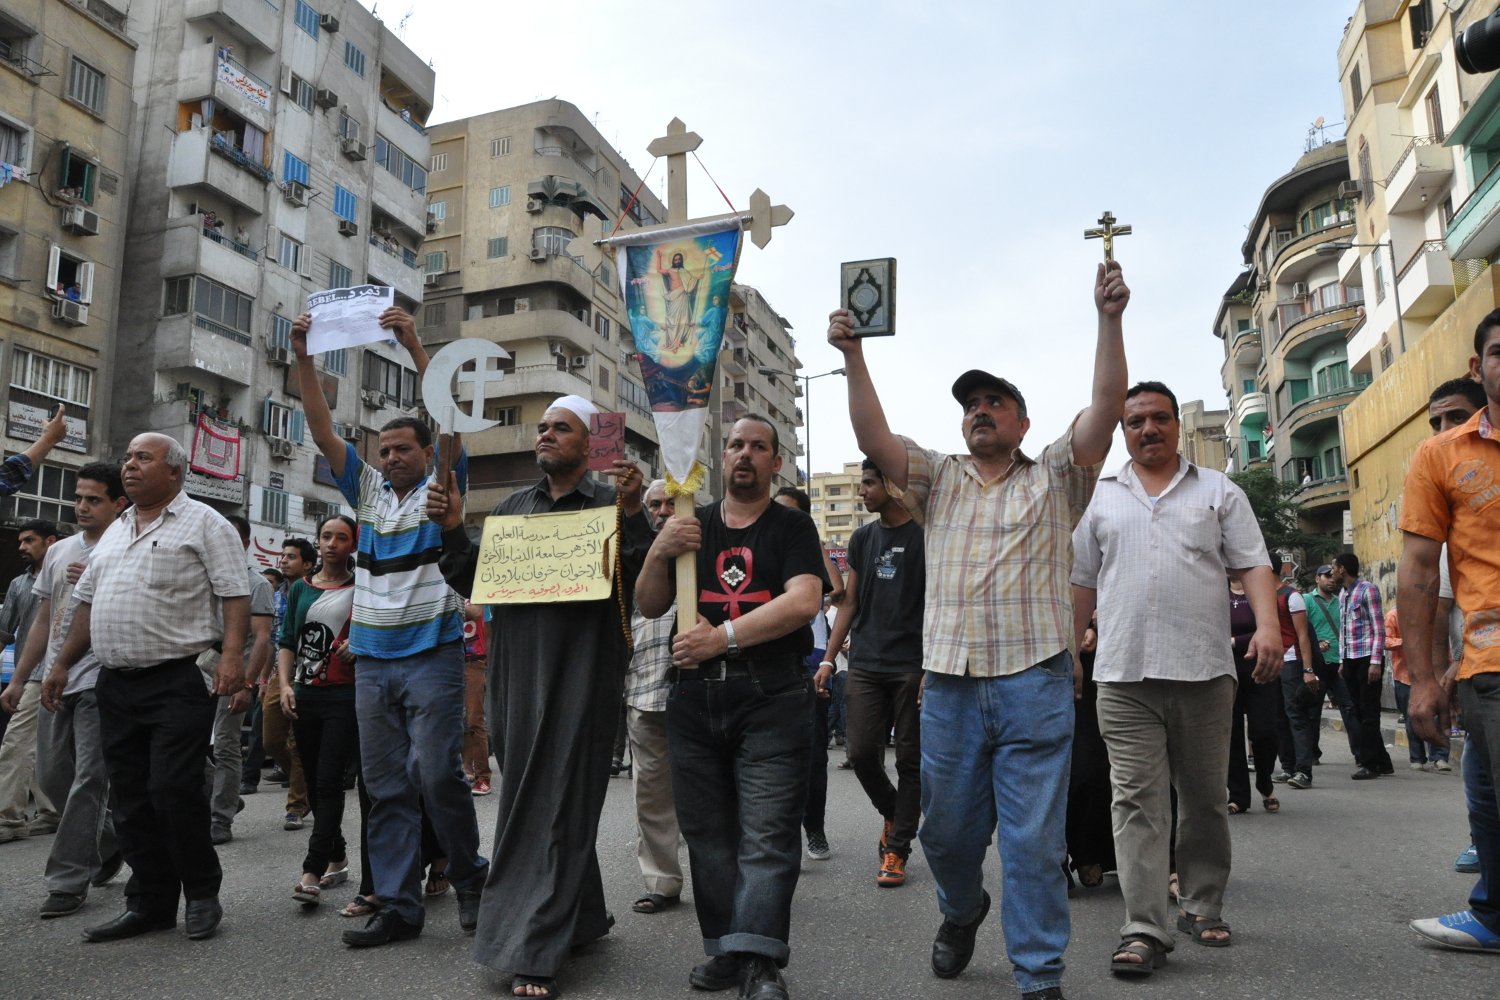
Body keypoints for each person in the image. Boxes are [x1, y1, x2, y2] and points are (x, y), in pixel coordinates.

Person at [827, 262, 1130, 1000]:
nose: (980, 411)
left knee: (1032, 842)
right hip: (952, 688)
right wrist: (854, 357)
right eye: (971, 405)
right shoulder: (937, 479)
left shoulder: (1057, 475)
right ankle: (962, 909)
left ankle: (1039, 975)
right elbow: (874, 435)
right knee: (946, 834)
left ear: (1023, 423)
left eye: (996, 402)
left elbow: (1105, 407)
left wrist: (1109, 319)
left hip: (1034, 682)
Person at [428, 393, 648, 999]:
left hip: (584, 671)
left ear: (589, 442)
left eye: (561, 427)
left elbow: (641, 579)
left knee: (556, 797)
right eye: (542, 427)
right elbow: (474, 578)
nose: (545, 434)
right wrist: (452, 528)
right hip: (517, 675)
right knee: (538, 795)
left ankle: (531, 946)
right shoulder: (511, 509)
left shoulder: (610, 503)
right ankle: (582, 918)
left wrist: (635, 513)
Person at [291, 307, 488, 949]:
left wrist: (414, 345)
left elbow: (450, 418)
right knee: (383, 787)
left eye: (405, 448)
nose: (393, 456)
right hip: (372, 660)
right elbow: (320, 427)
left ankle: (470, 878)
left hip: (432, 653)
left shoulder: (443, 488)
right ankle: (400, 905)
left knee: (437, 775)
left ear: (429, 454)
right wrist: (303, 357)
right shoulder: (367, 493)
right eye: (385, 450)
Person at [1072, 381, 1280, 975]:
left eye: (1160, 418)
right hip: (1122, 674)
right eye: (1135, 420)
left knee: (1204, 799)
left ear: (1176, 426)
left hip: (1204, 671)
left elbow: (1253, 563)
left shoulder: (1218, 490)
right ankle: (1143, 927)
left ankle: (1201, 903)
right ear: (1122, 431)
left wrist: (1268, 626)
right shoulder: (1099, 498)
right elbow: (1082, 580)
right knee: (1135, 802)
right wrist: (1071, 652)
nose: (1149, 429)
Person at [636, 414, 826, 1000]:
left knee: (767, 833)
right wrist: (660, 550)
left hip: (772, 694)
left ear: (776, 462)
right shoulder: (691, 524)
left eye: (759, 446)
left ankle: (760, 960)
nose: (745, 454)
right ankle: (726, 950)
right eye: (736, 444)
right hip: (695, 698)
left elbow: (804, 601)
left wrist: (722, 638)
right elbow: (650, 604)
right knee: (708, 835)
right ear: (721, 458)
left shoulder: (792, 526)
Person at [51, 432, 250, 942]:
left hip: (178, 679)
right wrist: (61, 664)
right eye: (128, 457)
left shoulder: (206, 523)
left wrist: (232, 658)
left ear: (175, 471)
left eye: (144, 457)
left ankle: (201, 893)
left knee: (172, 788)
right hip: (115, 681)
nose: (130, 465)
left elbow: (235, 593)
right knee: (130, 797)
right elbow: (87, 604)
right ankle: (150, 903)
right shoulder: (116, 530)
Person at [1400, 314, 1500, 952]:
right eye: (1499, 352)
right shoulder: (1442, 455)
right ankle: (1493, 915)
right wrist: (1425, 680)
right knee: (1486, 797)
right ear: (1477, 366)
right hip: (1489, 659)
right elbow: (1418, 574)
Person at [818, 457, 925, 889]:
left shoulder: (926, 535)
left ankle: (897, 848)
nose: (861, 491)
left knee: (911, 760)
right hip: (865, 662)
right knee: (861, 752)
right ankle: (896, 812)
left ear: (892, 485)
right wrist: (828, 659)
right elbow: (850, 601)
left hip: (913, 665)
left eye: (867, 483)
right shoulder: (862, 538)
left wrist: (933, 667)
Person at [30, 464, 128, 918]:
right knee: (52, 776)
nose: (82, 507)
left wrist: (98, 577)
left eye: (94, 499)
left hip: (100, 677)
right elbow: (44, 619)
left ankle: (67, 881)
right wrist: (22, 677)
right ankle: (111, 839)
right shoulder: (59, 550)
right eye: (78, 498)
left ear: (117, 504)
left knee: (90, 779)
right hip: (55, 677)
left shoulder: (126, 546)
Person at [278, 514, 359, 906]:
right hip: (304, 693)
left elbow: (377, 628)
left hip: (345, 695)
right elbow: (286, 641)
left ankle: (312, 869)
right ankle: (338, 857)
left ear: (352, 544)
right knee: (311, 781)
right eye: (326, 536)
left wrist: (360, 644)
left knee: (328, 782)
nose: (332, 544)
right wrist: (283, 685)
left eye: (341, 537)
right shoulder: (300, 589)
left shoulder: (362, 587)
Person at [773, 484, 844, 862]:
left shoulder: (808, 553)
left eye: (789, 512)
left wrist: (813, 543)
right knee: (770, 755)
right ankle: (780, 836)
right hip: (767, 661)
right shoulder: (763, 547)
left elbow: (839, 591)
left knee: (814, 754)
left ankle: (813, 827)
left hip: (810, 663)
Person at [624, 480, 684, 916]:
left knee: (716, 791)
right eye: (655, 504)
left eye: (671, 503)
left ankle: (731, 879)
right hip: (644, 690)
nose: (663, 511)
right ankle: (662, 881)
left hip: (700, 691)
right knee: (651, 794)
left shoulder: (708, 550)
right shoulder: (630, 558)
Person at [207, 516, 274, 845]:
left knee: (225, 744)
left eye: (232, 538)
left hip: (237, 672)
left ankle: (220, 816)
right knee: (182, 742)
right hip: (200, 667)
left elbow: (262, 638)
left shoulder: (257, 584)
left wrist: (248, 684)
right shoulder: (204, 576)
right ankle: (228, 794)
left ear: (246, 543)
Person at [0, 519, 60, 842]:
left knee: (17, 743)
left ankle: (8, 818)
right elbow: (4, 631)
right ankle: (51, 812)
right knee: (38, 745)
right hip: (31, 676)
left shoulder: (68, 576)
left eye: (29, 540)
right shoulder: (18, 584)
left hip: (59, 673)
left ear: (50, 541)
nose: (21, 546)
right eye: (20, 541)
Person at [252, 538, 315, 829]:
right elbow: (271, 640)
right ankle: (307, 781)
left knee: (297, 740)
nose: (284, 561)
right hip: (280, 670)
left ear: (308, 564)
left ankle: (296, 805)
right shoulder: (277, 594)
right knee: (271, 739)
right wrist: (264, 678)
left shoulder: (314, 590)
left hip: (308, 670)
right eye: (283, 556)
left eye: (291, 557)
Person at [1333, 553, 1392, 779]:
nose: (1332, 572)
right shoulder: (1343, 594)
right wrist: (1342, 660)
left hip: (1367, 657)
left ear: (1343, 569)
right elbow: (1344, 630)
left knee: (1369, 712)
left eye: (1334, 567)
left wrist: (1375, 662)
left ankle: (1370, 763)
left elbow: (1379, 629)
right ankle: (1383, 762)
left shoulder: (1368, 590)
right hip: (1350, 658)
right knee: (1358, 711)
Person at [1227, 572, 1282, 813]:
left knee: (1265, 732)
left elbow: (1271, 629)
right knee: (1230, 735)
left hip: (1260, 672)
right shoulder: (1216, 592)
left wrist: (1234, 642)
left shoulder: (1260, 592)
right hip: (1226, 674)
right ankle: (1238, 796)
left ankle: (1264, 780)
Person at [1305, 564, 1361, 763]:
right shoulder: (1307, 600)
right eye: (1326, 576)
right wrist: (1316, 645)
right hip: (1317, 665)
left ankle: (1360, 754)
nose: (1331, 579)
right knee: (1313, 712)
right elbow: (1301, 632)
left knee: (1350, 708)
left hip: (1340, 665)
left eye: (1333, 576)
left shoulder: (1342, 601)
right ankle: (1312, 754)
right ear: (1317, 579)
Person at [1276, 567, 1321, 792]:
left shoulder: (1291, 597)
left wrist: (1308, 669)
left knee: (1296, 716)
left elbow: (1303, 636)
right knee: (1279, 717)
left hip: (1292, 663)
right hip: (1274, 663)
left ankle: (1304, 771)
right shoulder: (1263, 597)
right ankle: (1288, 767)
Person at [460, 602, 491, 796]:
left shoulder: (478, 594)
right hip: (446, 659)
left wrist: (486, 662)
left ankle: (483, 777)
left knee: (474, 720)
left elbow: (478, 615)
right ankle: (462, 769)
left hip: (473, 661)